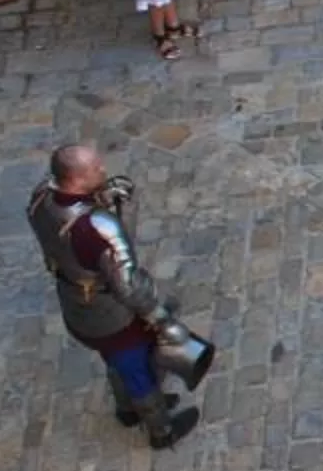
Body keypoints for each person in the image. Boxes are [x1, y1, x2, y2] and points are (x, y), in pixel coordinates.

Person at [28, 143, 208, 449]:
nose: (104, 170)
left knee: (113, 359)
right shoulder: (98, 227)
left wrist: (97, 198)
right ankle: (162, 431)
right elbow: (128, 285)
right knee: (136, 367)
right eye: (96, 169)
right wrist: (162, 321)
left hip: (74, 300)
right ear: (77, 178)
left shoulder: (40, 197)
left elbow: (66, 238)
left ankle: (126, 410)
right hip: (112, 313)